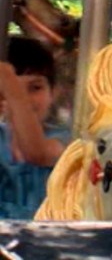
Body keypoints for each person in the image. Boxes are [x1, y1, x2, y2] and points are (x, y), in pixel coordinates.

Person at [0, 35, 70, 219]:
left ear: (53, 92)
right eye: (14, 89)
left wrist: (11, 86)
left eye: (35, 88)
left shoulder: (66, 140)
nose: (26, 100)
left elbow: (36, 153)